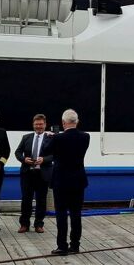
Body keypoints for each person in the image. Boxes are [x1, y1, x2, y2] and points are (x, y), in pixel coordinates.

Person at [48, 109, 91, 255]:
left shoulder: (57, 139)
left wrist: (51, 137)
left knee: (61, 214)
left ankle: (62, 246)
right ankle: (75, 245)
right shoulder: (86, 137)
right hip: (78, 180)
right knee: (76, 214)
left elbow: (46, 151)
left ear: (63, 123)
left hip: (61, 181)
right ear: (77, 122)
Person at [14, 114, 54, 233]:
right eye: (36, 124)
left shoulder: (51, 138)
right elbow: (17, 152)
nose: (38, 126)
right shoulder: (26, 137)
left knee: (41, 200)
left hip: (42, 173)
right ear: (33, 125)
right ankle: (24, 224)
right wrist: (23, 159)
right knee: (26, 200)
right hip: (27, 173)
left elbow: (55, 154)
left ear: (45, 124)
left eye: (41, 124)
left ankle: (39, 224)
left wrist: (44, 160)